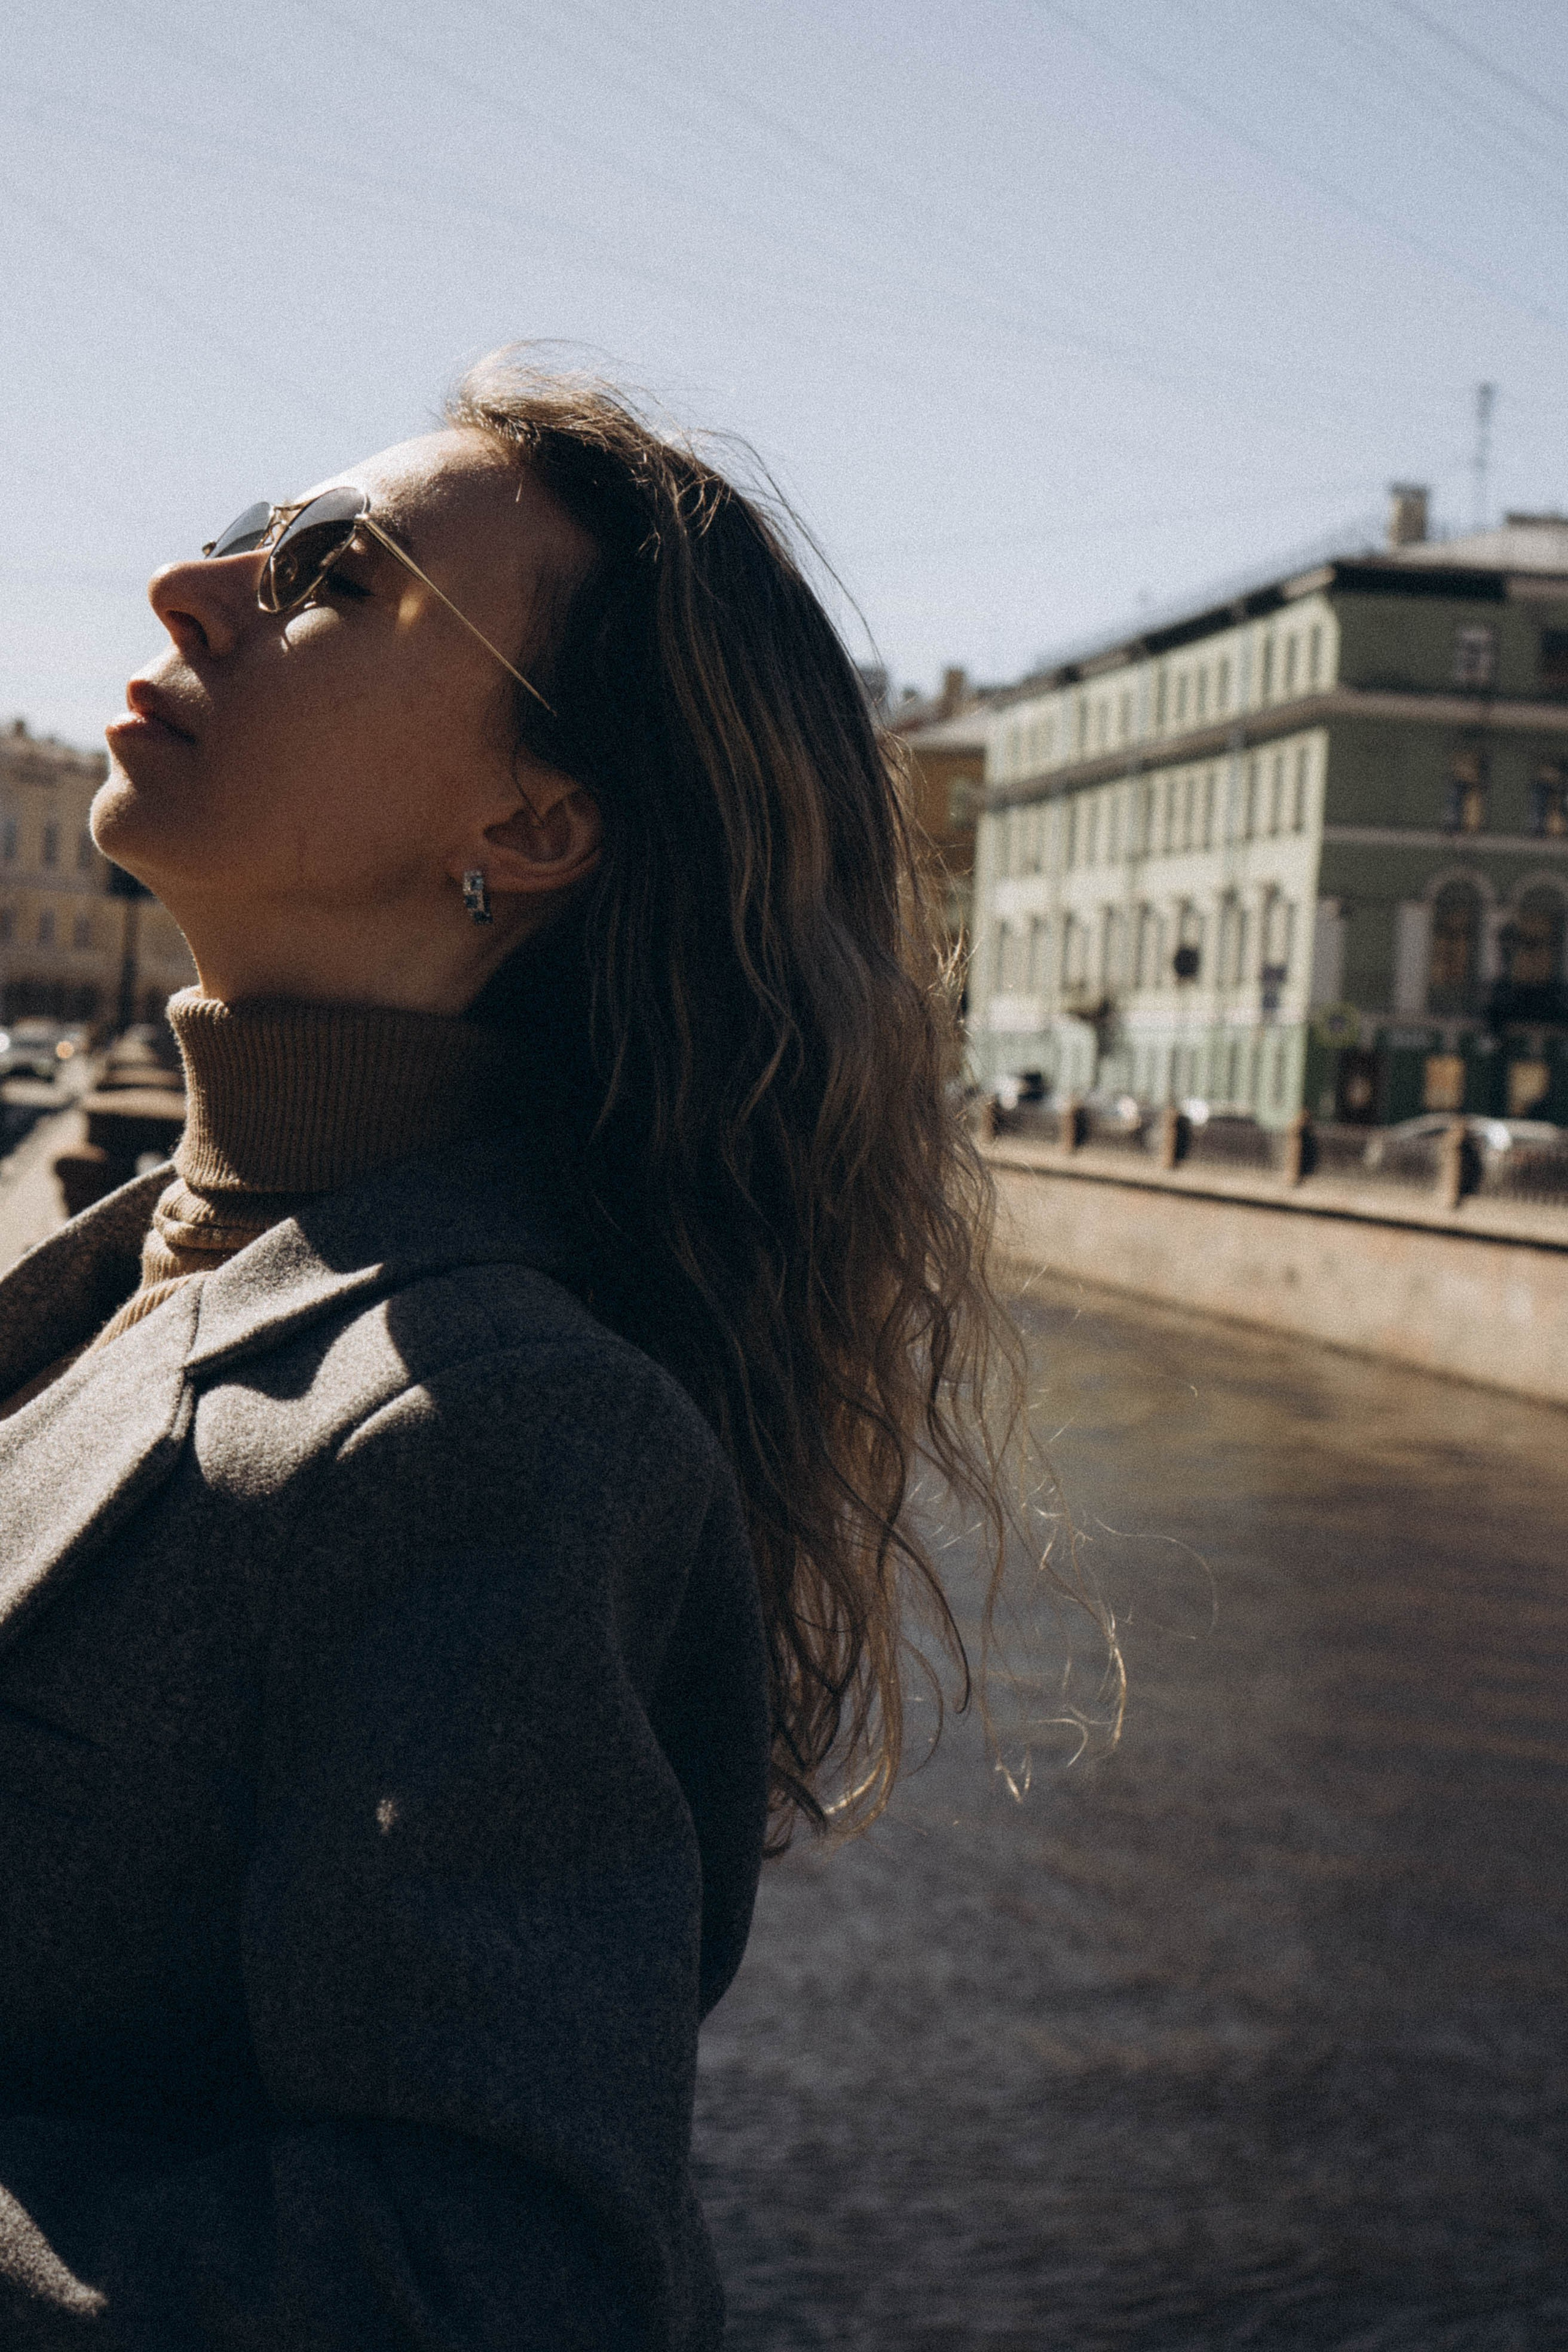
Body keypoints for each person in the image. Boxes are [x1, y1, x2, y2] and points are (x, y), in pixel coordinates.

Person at [0, 353, 1032, 2347]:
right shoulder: (148, 1261)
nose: (186, 592)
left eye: (330, 579)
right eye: (242, 544)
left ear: (536, 822)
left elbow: (503, 2280)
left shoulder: (503, 1428)